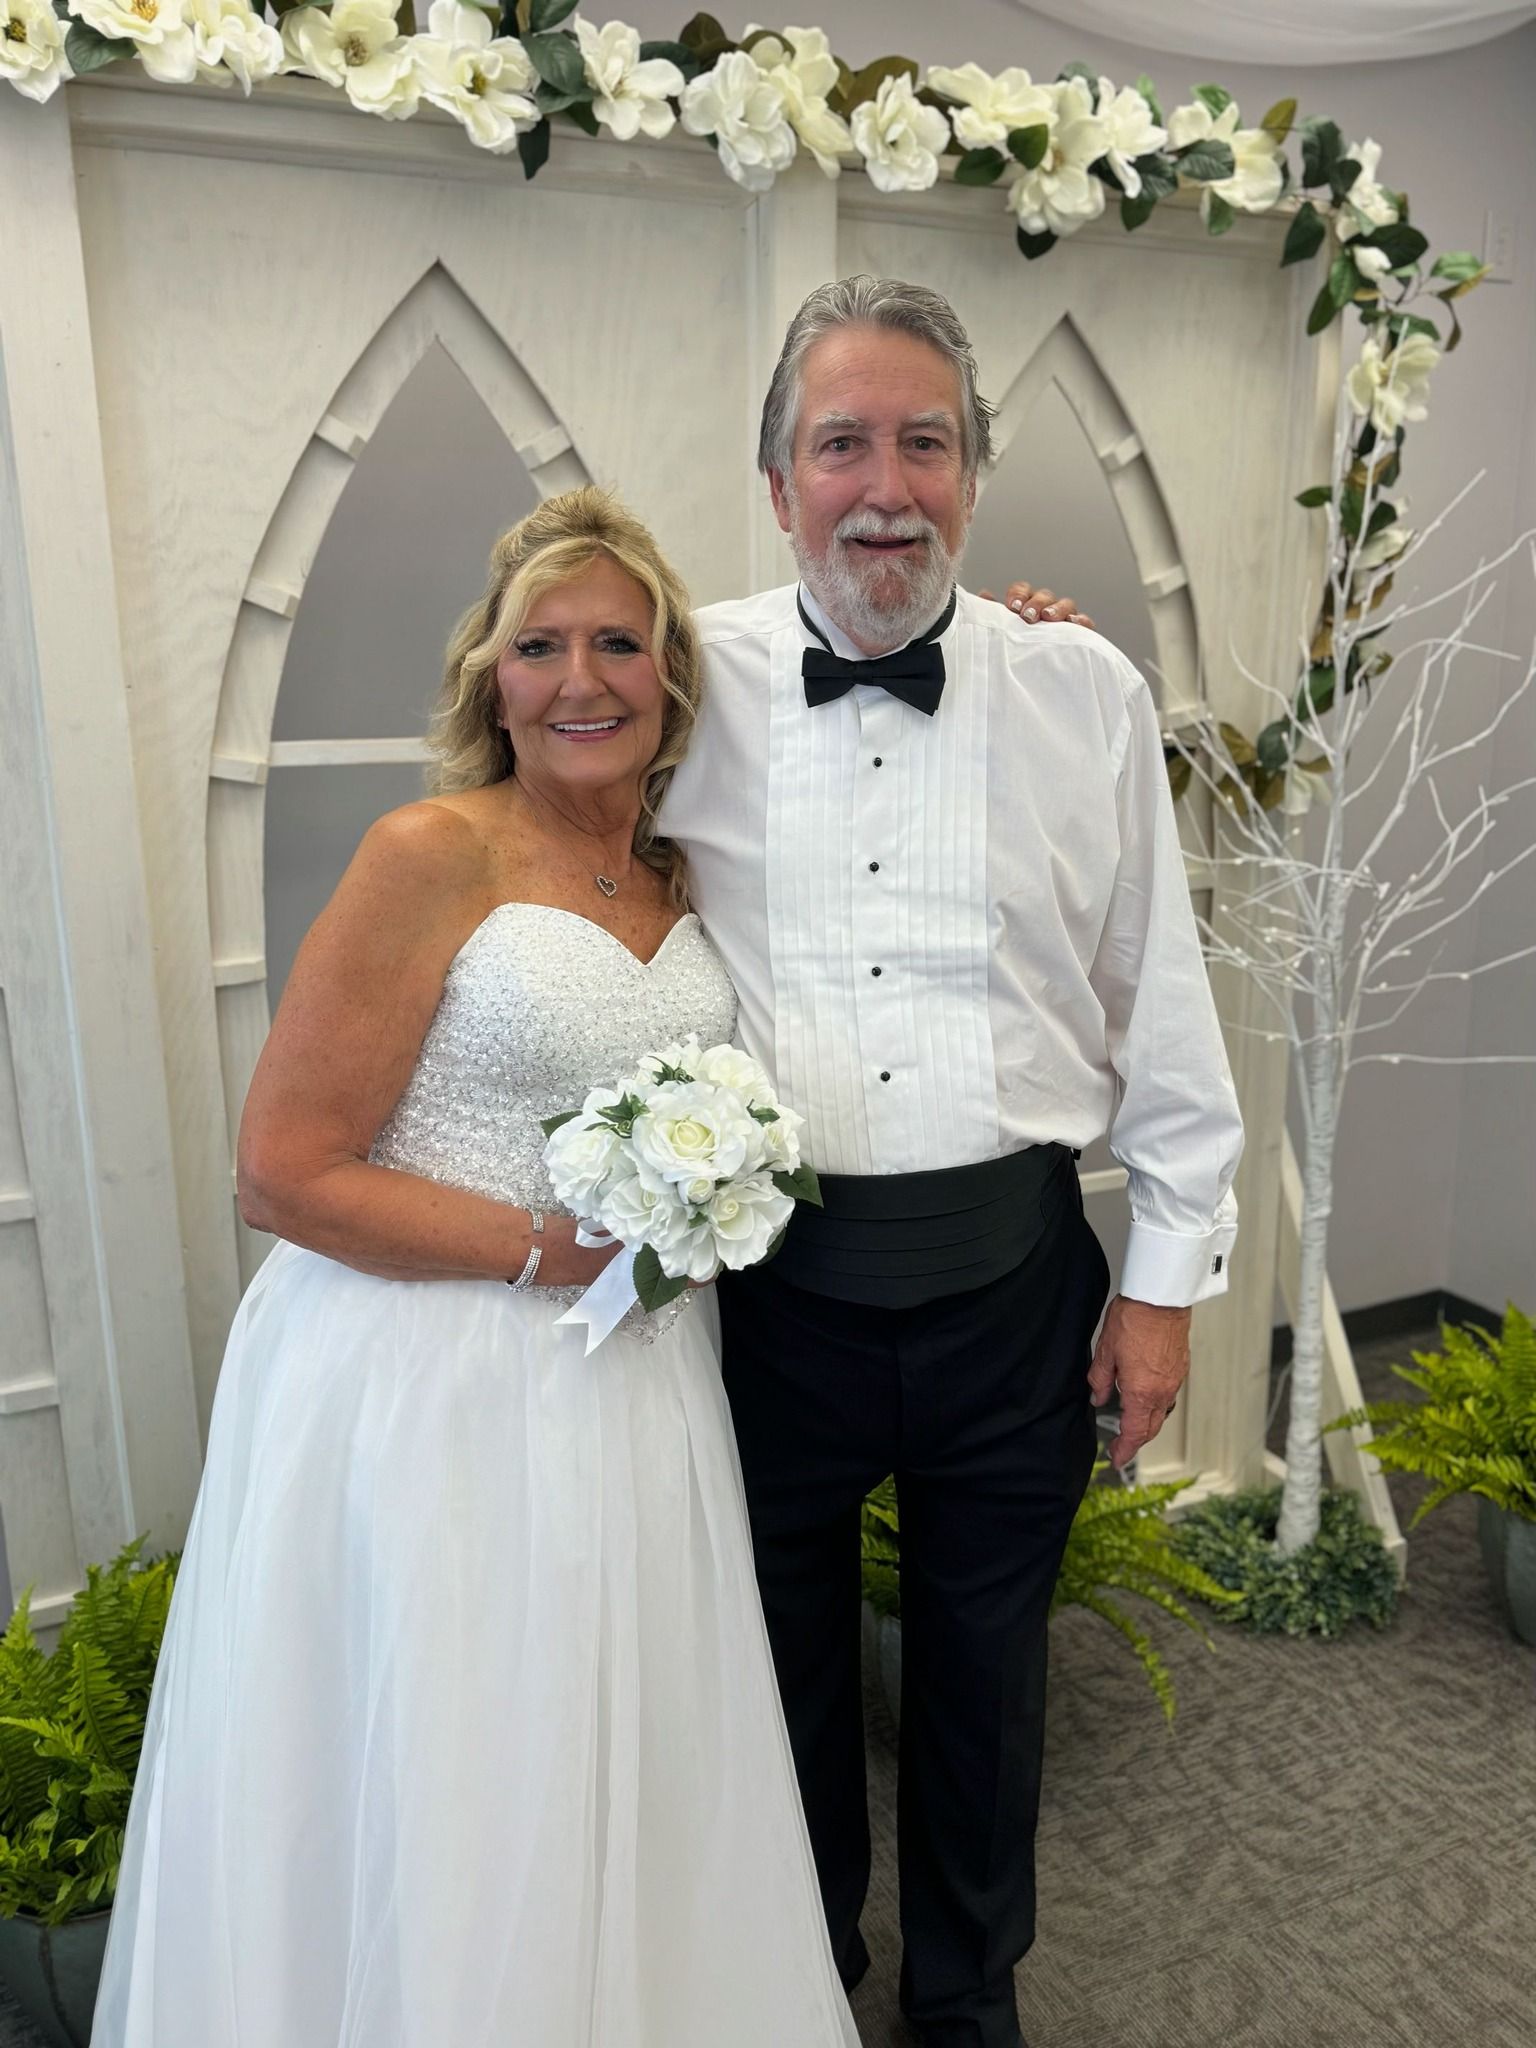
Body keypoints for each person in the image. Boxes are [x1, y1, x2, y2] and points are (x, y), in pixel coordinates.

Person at [90, 490, 862, 2048]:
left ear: (669, 681)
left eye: (619, 644)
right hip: (425, 1385)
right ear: (491, 681)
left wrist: (1030, 644)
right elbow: (281, 1173)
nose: (582, 678)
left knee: (622, 1739)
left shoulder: (683, 876)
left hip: (636, 1382)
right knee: (458, 1755)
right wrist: (549, 1249)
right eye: (541, 646)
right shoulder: (427, 853)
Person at [662, 276, 1245, 2048]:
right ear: (779, 483)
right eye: (843, 444)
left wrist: (1162, 1289)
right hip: (772, 1290)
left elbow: (1158, 999)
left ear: (975, 478)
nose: (885, 485)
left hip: (1014, 1282)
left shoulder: (1081, 690)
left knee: (993, 1673)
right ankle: (805, 1968)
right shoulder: (680, 680)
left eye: (926, 442)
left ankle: (969, 1983)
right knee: (784, 1668)